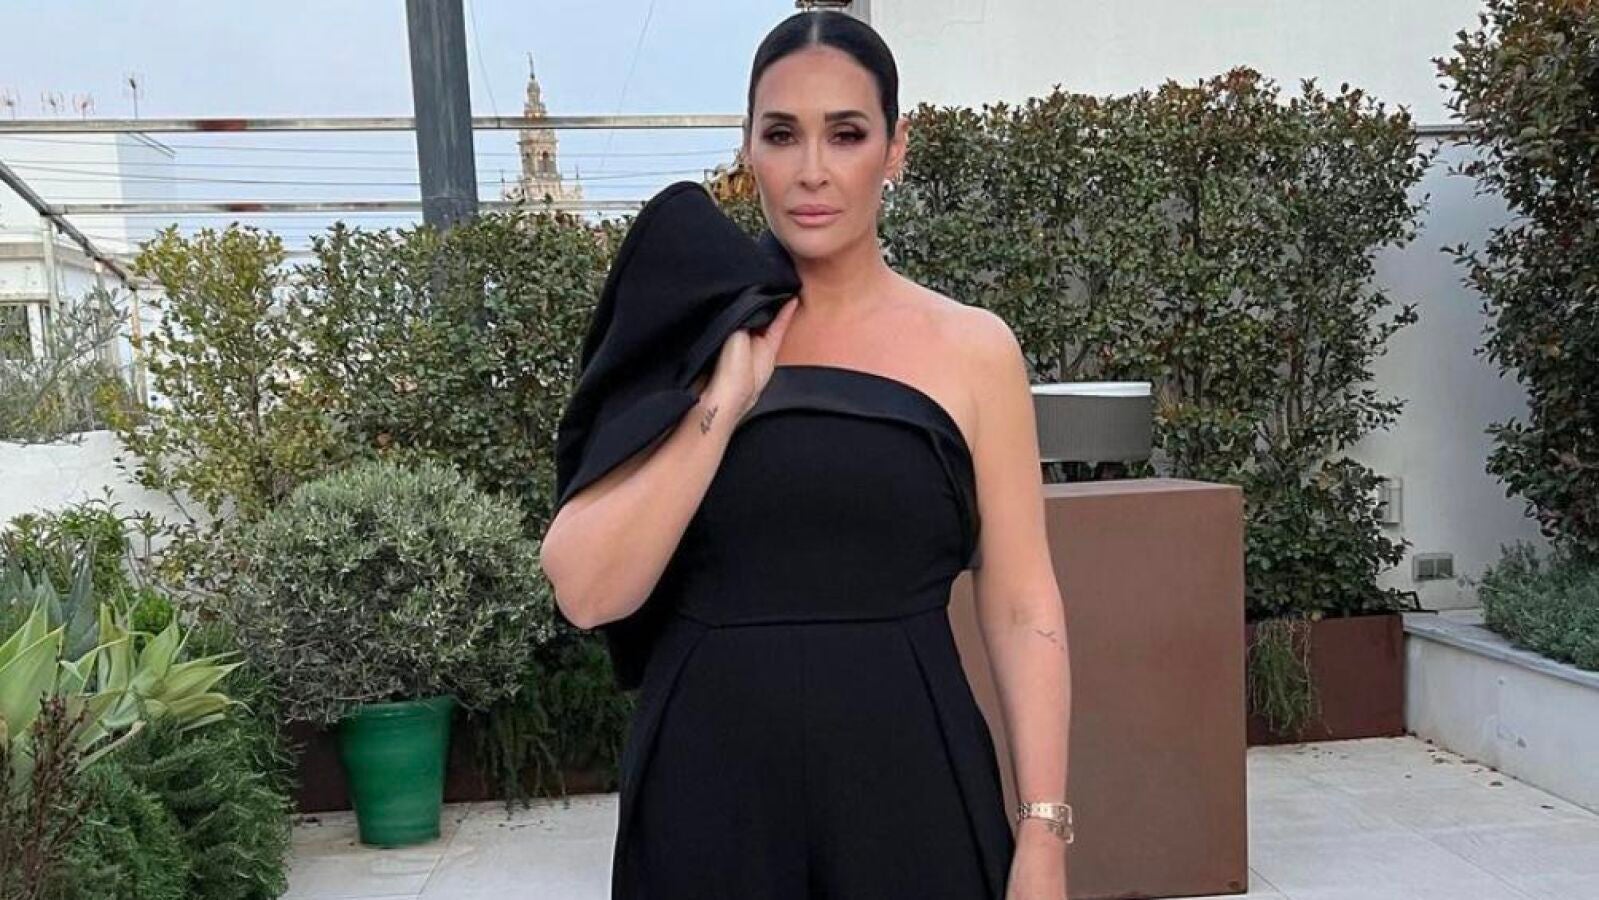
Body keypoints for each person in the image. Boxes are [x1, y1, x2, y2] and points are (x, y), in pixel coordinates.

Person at [540, 10, 1072, 899]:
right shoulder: (685, 325)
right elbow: (587, 591)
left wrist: (1044, 834)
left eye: (846, 134)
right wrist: (722, 405)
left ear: (895, 149)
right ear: (748, 147)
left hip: (913, 785)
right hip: (707, 795)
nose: (812, 170)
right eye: (782, 134)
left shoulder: (975, 350)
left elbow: (1021, 604)